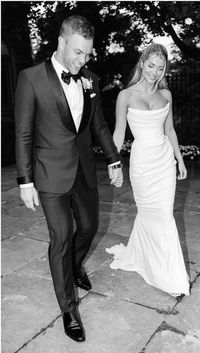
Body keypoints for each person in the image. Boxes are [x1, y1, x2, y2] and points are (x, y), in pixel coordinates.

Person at [15, 15, 123, 343]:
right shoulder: (31, 78)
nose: (82, 60)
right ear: (62, 42)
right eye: (78, 52)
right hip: (49, 173)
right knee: (61, 237)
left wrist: (114, 160)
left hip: (83, 170)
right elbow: (23, 133)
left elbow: (100, 127)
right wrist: (25, 181)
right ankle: (68, 308)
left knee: (89, 227)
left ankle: (75, 266)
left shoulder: (89, 78)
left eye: (87, 54)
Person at [106, 43, 190, 298]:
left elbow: (170, 130)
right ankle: (144, 258)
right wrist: (114, 162)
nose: (154, 72)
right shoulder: (126, 95)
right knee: (148, 214)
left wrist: (180, 158)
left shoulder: (166, 96)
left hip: (165, 163)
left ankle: (170, 277)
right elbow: (119, 131)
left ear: (165, 69)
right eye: (151, 65)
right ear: (142, 63)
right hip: (142, 164)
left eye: (160, 67)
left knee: (164, 217)